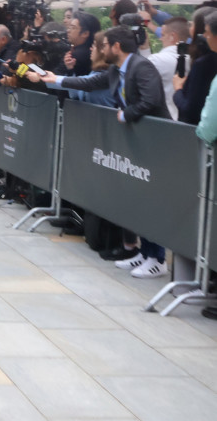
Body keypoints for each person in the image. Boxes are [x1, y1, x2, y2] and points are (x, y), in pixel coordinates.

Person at [44, 26, 170, 278]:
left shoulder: (142, 67)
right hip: (137, 143)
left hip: (156, 143)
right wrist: (54, 78)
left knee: (150, 200)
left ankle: (158, 258)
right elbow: (89, 83)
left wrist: (127, 114)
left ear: (116, 47)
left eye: (104, 45)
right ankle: (144, 253)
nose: (100, 49)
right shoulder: (115, 70)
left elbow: (151, 100)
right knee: (136, 197)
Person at [173, 9, 217, 126]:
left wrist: (178, 90)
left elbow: (190, 110)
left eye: (192, 24)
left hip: (198, 134)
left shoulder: (204, 64)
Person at [148, 17, 190, 120]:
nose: (160, 39)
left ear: (172, 36)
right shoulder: (194, 60)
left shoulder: (156, 60)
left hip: (166, 118)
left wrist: (145, 50)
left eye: (163, 35)